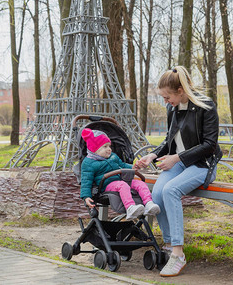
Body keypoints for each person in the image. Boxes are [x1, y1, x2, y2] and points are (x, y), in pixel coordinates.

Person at [134, 66, 222, 277]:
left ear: (180, 90)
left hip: (202, 164)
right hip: (180, 164)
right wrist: (153, 155)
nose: (166, 101)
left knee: (171, 190)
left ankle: (178, 254)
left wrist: (177, 158)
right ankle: (169, 245)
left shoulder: (205, 106)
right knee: (157, 192)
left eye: (168, 96)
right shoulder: (173, 109)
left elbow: (210, 145)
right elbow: (169, 140)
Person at [80, 128, 160, 220]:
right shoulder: (88, 163)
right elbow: (86, 181)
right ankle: (130, 207)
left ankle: (149, 203)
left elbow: (122, 165)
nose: (109, 149)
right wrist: (86, 197)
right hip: (106, 185)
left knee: (140, 183)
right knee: (122, 185)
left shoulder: (113, 156)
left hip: (120, 180)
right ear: (94, 148)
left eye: (109, 146)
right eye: (105, 147)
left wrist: (133, 167)